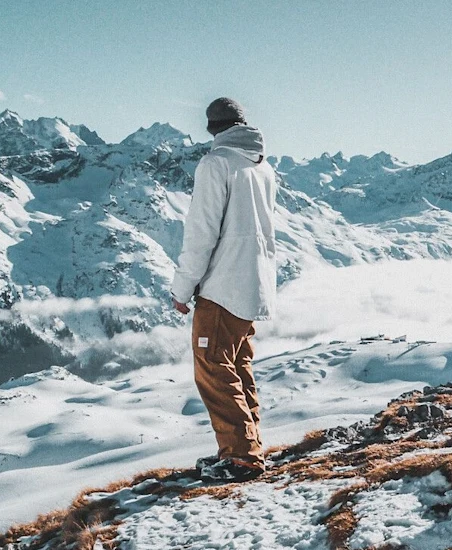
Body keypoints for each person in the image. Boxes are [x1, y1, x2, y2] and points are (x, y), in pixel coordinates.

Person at [171, 97, 277, 482]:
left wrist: (182, 289)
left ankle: (241, 457)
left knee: (213, 366)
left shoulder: (216, 164)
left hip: (222, 286)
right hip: (253, 285)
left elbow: (201, 233)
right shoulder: (262, 167)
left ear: (212, 129)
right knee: (237, 365)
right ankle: (245, 448)